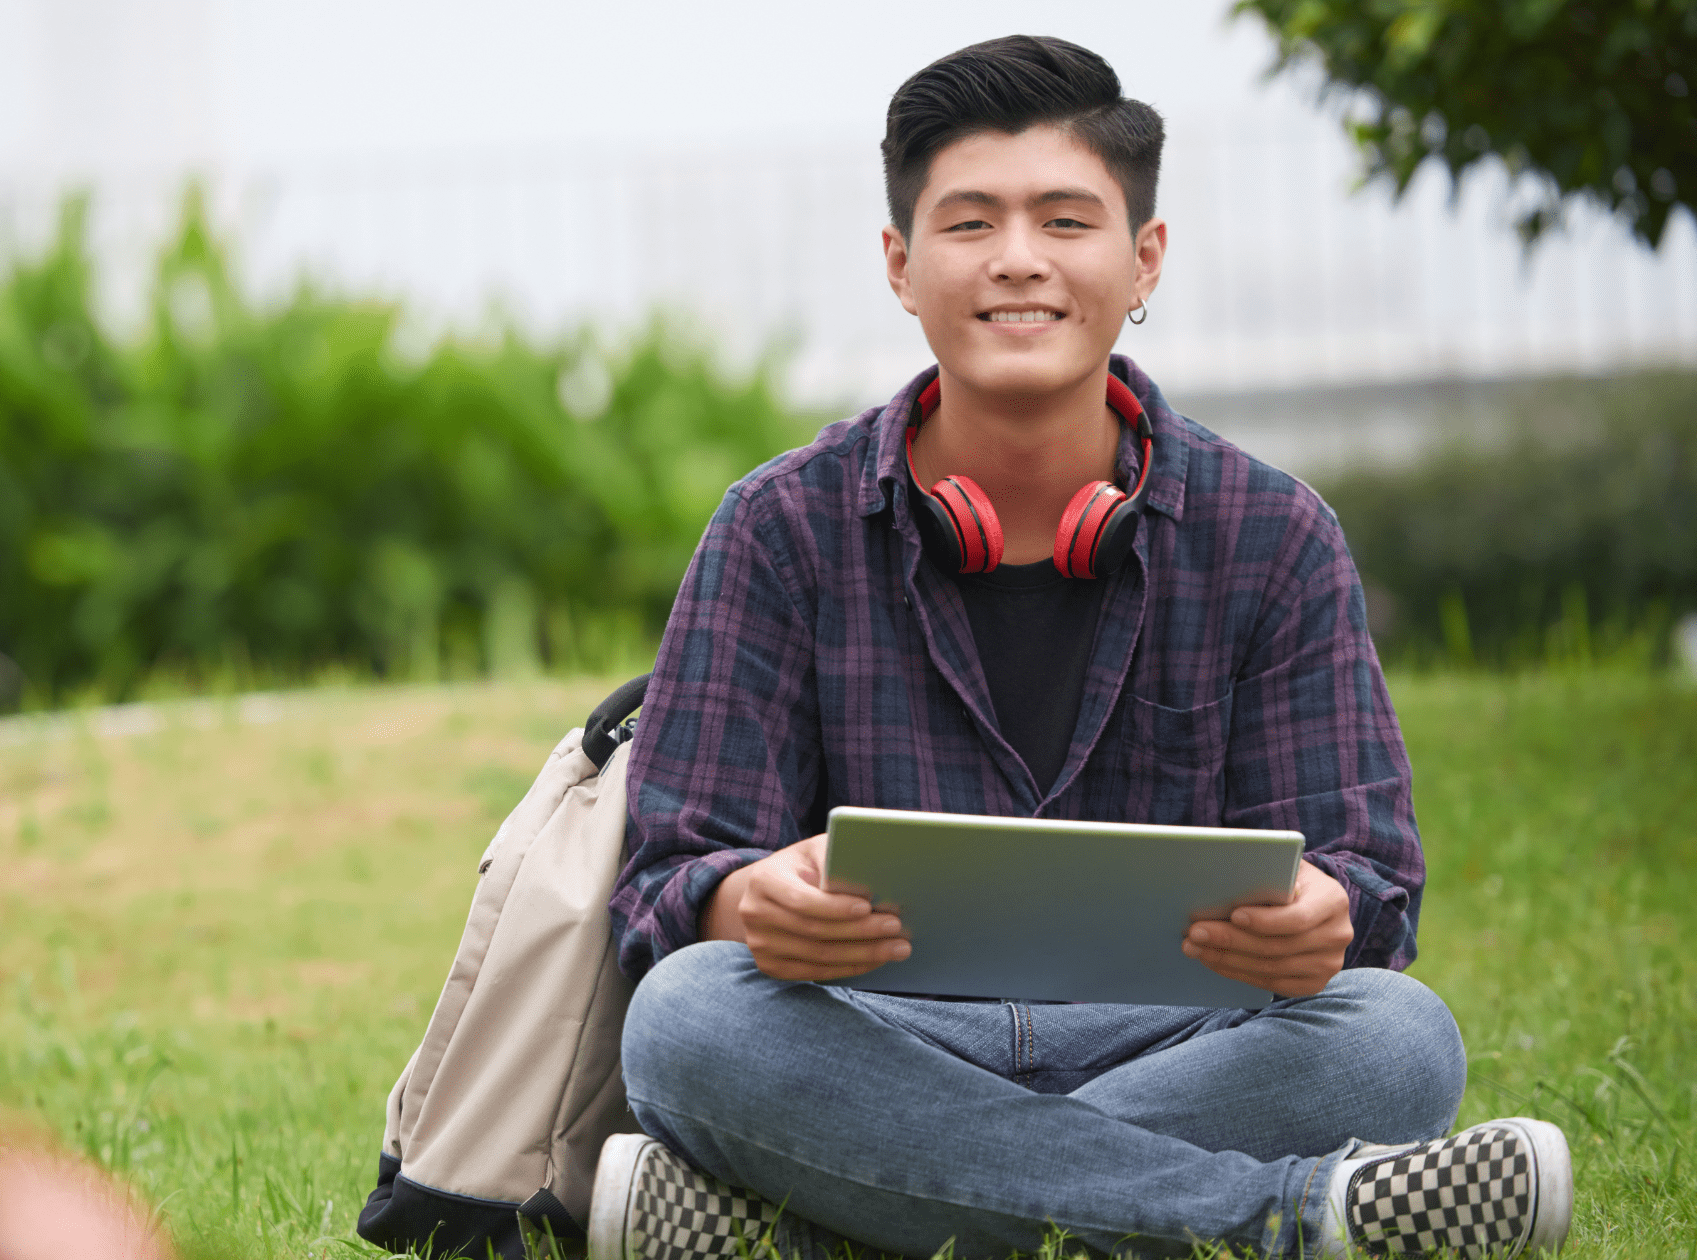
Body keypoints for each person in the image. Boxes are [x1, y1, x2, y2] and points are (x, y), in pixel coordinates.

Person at [589, 35, 1572, 1260]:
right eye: (968, 224)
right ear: (899, 266)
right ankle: (1280, 1226)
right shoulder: (778, 527)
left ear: (1141, 258)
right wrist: (742, 902)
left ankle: (833, 1231)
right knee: (687, 1019)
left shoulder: (1271, 534)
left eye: (1063, 220)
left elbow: (1365, 890)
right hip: (872, 1035)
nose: (1016, 260)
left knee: (1396, 1036)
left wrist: (1322, 912)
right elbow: (661, 890)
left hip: (1176, 1040)